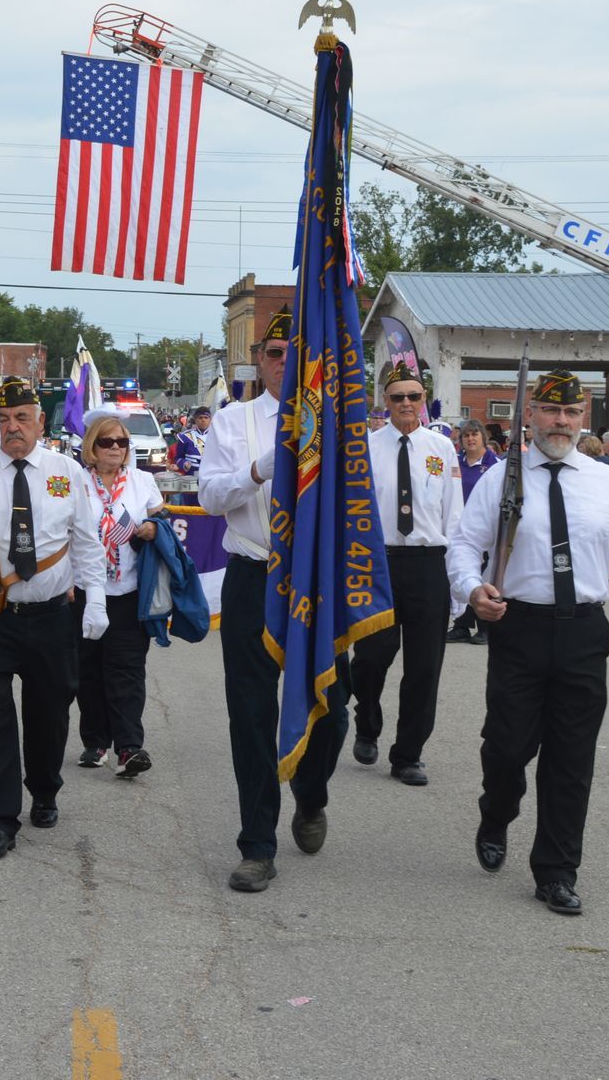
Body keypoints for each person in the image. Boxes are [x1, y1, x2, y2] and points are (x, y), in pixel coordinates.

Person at [450, 369, 609, 917]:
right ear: (531, 415)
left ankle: (557, 871)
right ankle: (497, 813)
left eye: (570, 413)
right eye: (549, 410)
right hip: (518, 625)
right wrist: (473, 591)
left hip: (583, 629)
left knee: (571, 758)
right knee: (507, 747)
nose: (560, 422)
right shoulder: (500, 478)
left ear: (582, 416)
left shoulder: (606, 481)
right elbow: (464, 547)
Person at [199, 309, 345, 892]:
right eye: (275, 351)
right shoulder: (233, 421)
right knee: (252, 715)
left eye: (295, 351)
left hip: (314, 580)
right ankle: (257, 843)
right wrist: (259, 469)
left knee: (331, 708)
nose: (285, 361)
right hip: (255, 574)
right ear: (259, 358)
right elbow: (210, 496)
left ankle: (310, 795)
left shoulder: (336, 421)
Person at [0, 377, 107, 861]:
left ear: (41, 422)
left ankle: (44, 788)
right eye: (3, 420)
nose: (12, 428)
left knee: (48, 714)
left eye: (22, 418)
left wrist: (96, 601)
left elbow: (86, 540)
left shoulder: (65, 472)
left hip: (51, 617)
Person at [351, 362, 464, 787]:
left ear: (424, 401)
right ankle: (367, 718)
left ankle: (408, 754)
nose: (405, 404)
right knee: (371, 657)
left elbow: (454, 513)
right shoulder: (363, 446)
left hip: (427, 561)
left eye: (413, 397)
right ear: (384, 400)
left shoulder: (441, 449)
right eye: (397, 397)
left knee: (424, 667)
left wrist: (456, 575)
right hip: (377, 563)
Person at [71, 409, 165, 778]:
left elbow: (164, 525)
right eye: (106, 441)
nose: (115, 448)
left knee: (126, 670)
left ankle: (129, 747)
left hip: (128, 590)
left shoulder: (143, 482)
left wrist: (151, 530)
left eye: (122, 442)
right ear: (92, 446)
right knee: (88, 671)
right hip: (82, 590)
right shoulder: (75, 481)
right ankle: (95, 743)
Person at [447, 418, 498, 644]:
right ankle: (462, 624)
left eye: (474, 435)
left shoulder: (495, 464)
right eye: (466, 436)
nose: (470, 439)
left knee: (485, 576)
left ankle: (485, 627)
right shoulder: (456, 463)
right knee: (462, 572)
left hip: (485, 529)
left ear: (483, 438)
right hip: (460, 528)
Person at [172, 405, 213, 476]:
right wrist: (184, 463)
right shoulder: (185, 437)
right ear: (195, 420)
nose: (203, 420)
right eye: (200, 418)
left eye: (206, 418)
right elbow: (178, 458)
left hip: (211, 477)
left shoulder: (216, 436)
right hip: (191, 478)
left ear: (210, 419)